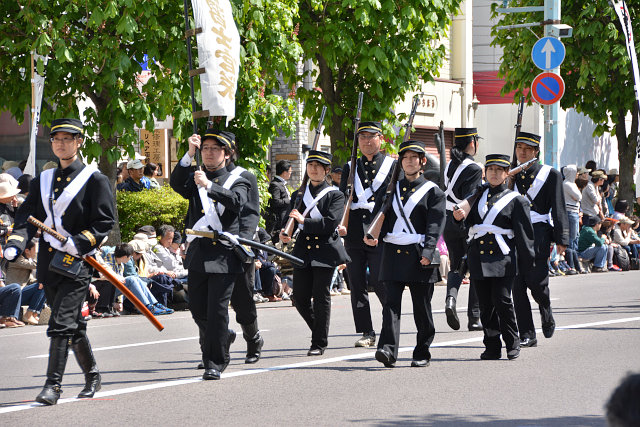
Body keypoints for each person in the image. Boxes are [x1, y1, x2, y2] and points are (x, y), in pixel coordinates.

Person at [3, 118, 116, 405]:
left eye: (68, 139)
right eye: (56, 139)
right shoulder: (43, 181)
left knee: (61, 322)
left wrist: (79, 242)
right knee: (73, 325)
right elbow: (26, 216)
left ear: (79, 142)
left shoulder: (94, 179)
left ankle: (52, 386)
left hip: (77, 261)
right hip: (49, 262)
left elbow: (104, 221)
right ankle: (92, 375)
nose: (61, 144)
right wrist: (17, 242)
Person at [170, 129, 250, 380]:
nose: (209, 153)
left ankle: (215, 361)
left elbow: (237, 203)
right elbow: (176, 185)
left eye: (215, 149)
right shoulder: (196, 175)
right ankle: (222, 337)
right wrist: (188, 154)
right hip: (198, 251)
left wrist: (210, 186)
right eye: (205, 149)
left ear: (227, 154)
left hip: (224, 253)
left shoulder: (239, 179)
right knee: (196, 308)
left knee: (217, 310)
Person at [363, 140, 445, 368]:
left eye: (414, 158)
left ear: (422, 162)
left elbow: (435, 225)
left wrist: (429, 251)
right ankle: (387, 349)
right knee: (390, 305)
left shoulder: (433, 192)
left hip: (419, 253)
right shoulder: (390, 189)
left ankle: (422, 351)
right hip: (392, 253)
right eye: (405, 158)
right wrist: (372, 233)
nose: (409, 162)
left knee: (422, 307)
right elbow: (380, 215)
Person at [463, 154, 535, 360]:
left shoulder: (517, 200)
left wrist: (527, 263)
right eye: (490, 169)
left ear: (506, 174)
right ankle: (492, 346)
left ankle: (512, 342)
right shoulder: (476, 196)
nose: (494, 173)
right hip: (478, 256)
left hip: (503, 257)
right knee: (485, 306)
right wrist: (459, 217)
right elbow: (467, 226)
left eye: (499, 170)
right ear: (485, 172)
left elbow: (524, 235)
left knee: (502, 301)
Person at [280, 150, 350, 356]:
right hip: (303, 250)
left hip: (325, 250)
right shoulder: (299, 194)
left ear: (327, 170)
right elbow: (289, 219)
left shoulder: (335, 195)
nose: (314, 169)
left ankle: (318, 342)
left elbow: (330, 224)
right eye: (310, 165)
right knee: (299, 299)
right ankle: (319, 331)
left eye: (318, 166)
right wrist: (286, 233)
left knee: (321, 297)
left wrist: (304, 222)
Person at [510, 132, 569, 348]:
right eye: (519, 148)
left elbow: (559, 207)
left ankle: (546, 309)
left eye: (527, 149)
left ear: (536, 151)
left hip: (539, 233)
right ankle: (527, 333)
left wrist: (562, 238)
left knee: (536, 282)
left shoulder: (550, 174)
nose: (522, 152)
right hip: (514, 233)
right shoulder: (511, 174)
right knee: (516, 285)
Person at [338, 121, 394, 348]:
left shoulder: (391, 166)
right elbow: (344, 197)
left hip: (378, 231)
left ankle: (390, 324)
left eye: (371, 137)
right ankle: (366, 331)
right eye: (362, 137)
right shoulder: (350, 167)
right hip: (353, 234)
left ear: (380, 139)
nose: (367, 141)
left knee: (381, 282)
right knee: (357, 284)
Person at [225, 135, 265, 365]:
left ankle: (253, 339)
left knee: (242, 299)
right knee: (211, 301)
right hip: (211, 247)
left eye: (218, 148)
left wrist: (244, 240)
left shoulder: (243, 176)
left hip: (238, 246)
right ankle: (217, 343)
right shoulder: (203, 177)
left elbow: (250, 214)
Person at [442, 128, 483, 331]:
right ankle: (474, 317)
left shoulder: (450, 164)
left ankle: (451, 298)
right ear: (472, 143)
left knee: (456, 265)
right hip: (464, 221)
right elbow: (471, 199)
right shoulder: (475, 168)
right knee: (475, 267)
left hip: (448, 221)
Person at [4, 239, 46, 325]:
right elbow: (35, 265)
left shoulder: (24, 259)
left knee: (44, 284)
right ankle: (29, 315)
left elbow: (29, 280)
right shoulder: (16, 259)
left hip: (21, 293)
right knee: (41, 285)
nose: (36, 252)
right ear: (27, 250)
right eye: (35, 250)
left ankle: (34, 314)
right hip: (13, 295)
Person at [265, 159, 291, 243]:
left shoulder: (281, 184)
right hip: (278, 221)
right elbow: (275, 202)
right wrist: (289, 200)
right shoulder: (275, 185)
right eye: (290, 172)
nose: (290, 174)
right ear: (284, 172)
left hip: (284, 219)